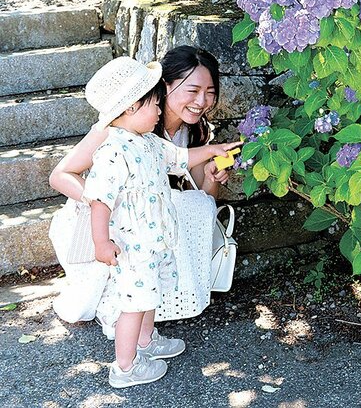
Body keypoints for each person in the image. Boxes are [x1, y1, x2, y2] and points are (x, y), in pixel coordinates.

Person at [79, 57, 240, 388]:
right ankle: (125, 367)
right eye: (153, 105)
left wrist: (215, 149)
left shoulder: (149, 142)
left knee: (150, 296)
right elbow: (99, 200)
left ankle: (147, 341)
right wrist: (100, 242)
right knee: (133, 305)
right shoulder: (112, 151)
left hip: (156, 240)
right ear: (131, 107)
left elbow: (182, 159)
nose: (157, 111)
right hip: (132, 246)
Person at [50, 46, 229, 330]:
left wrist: (211, 177)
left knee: (186, 204)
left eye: (210, 91)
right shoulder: (118, 129)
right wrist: (110, 202)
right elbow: (60, 175)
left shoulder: (192, 131)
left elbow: (203, 202)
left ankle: (170, 302)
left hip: (152, 227)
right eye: (192, 90)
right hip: (107, 222)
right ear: (165, 86)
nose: (202, 101)